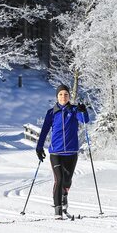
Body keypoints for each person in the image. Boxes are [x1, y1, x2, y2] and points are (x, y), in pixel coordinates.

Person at [36, 84, 89, 219]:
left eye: (65, 94)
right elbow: (44, 131)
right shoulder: (51, 112)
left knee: (67, 181)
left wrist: (84, 111)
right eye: (60, 94)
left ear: (69, 96)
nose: (63, 97)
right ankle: (58, 210)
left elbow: (85, 120)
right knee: (58, 180)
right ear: (57, 96)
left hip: (71, 152)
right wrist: (39, 147)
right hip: (56, 153)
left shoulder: (75, 110)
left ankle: (64, 195)